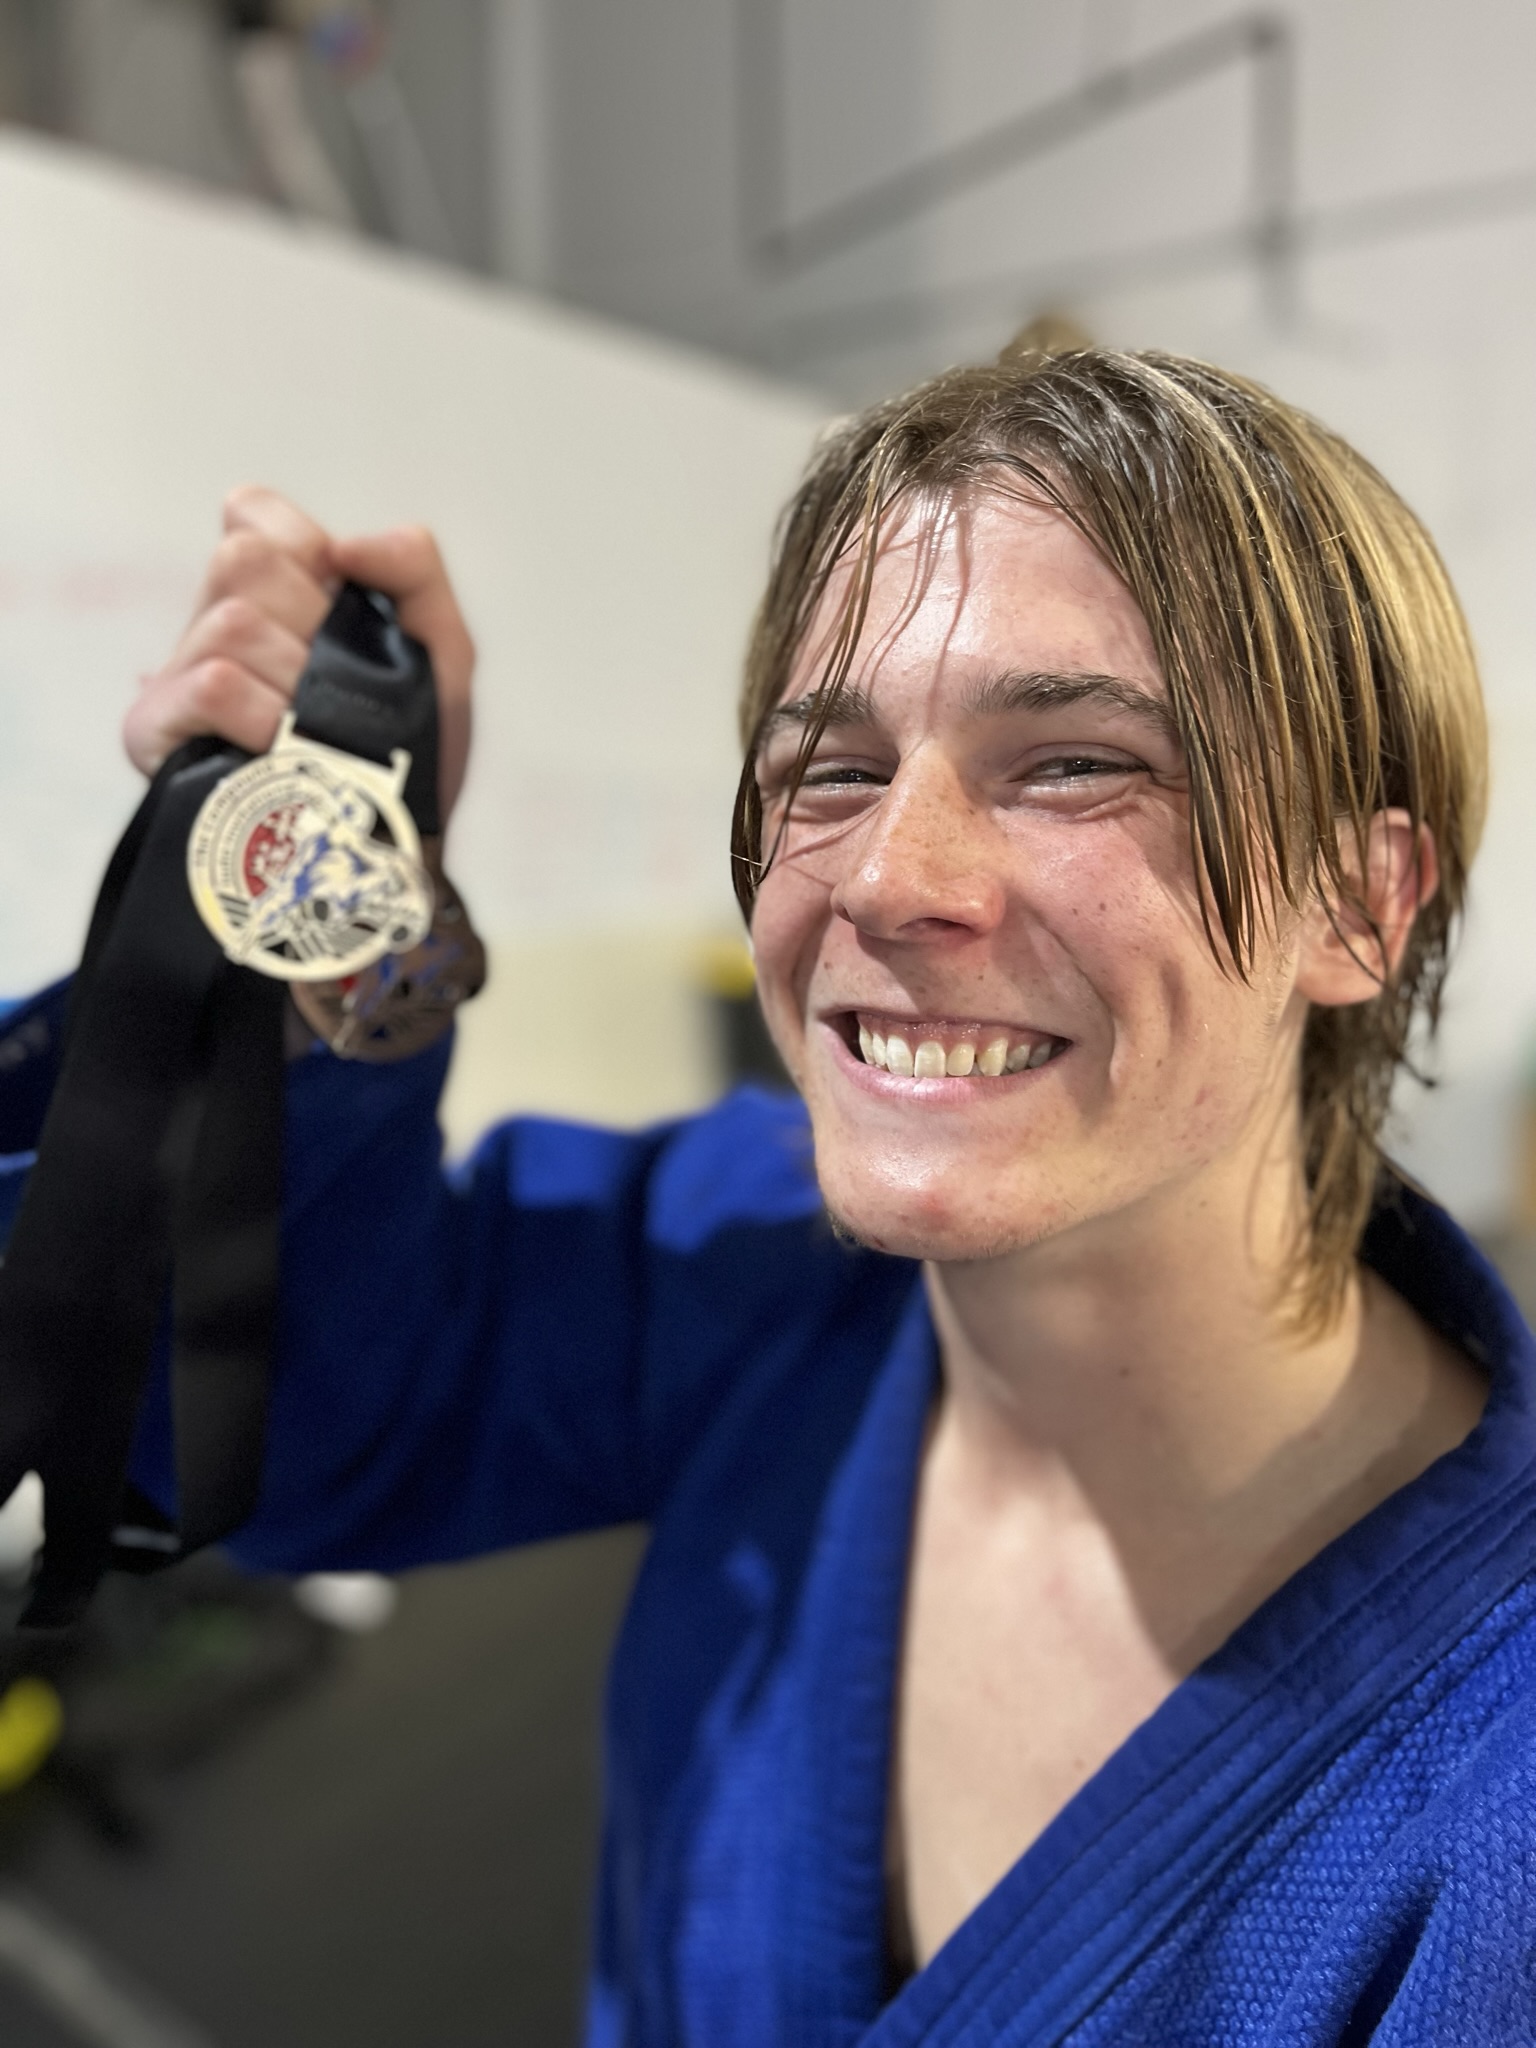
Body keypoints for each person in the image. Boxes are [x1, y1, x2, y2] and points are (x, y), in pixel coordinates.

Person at [3, 338, 1533, 2045]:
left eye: (1077, 762)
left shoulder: (1494, 1811)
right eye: (832, 767)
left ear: (1361, 904)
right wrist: (328, 905)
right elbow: (276, 1430)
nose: (887, 876)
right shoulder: (761, 1262)